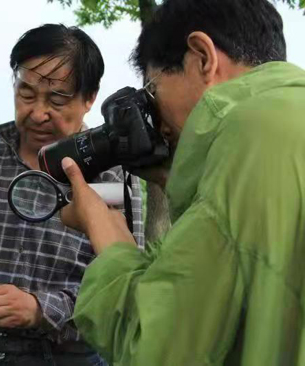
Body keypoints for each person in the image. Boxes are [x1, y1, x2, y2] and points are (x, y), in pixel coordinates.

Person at [59, 0, 305, 365]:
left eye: (153, 94)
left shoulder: (247, 135)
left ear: (202, 57)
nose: (159, 126)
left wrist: (108, 239)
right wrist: (178, 180)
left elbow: (156, 347)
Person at [0, 24, 144, 366]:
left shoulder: (109, 172)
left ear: (89, 99)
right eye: (26, 94)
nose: (37, 113)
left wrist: (39, 310)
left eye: (57, 99)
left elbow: (122, 290)